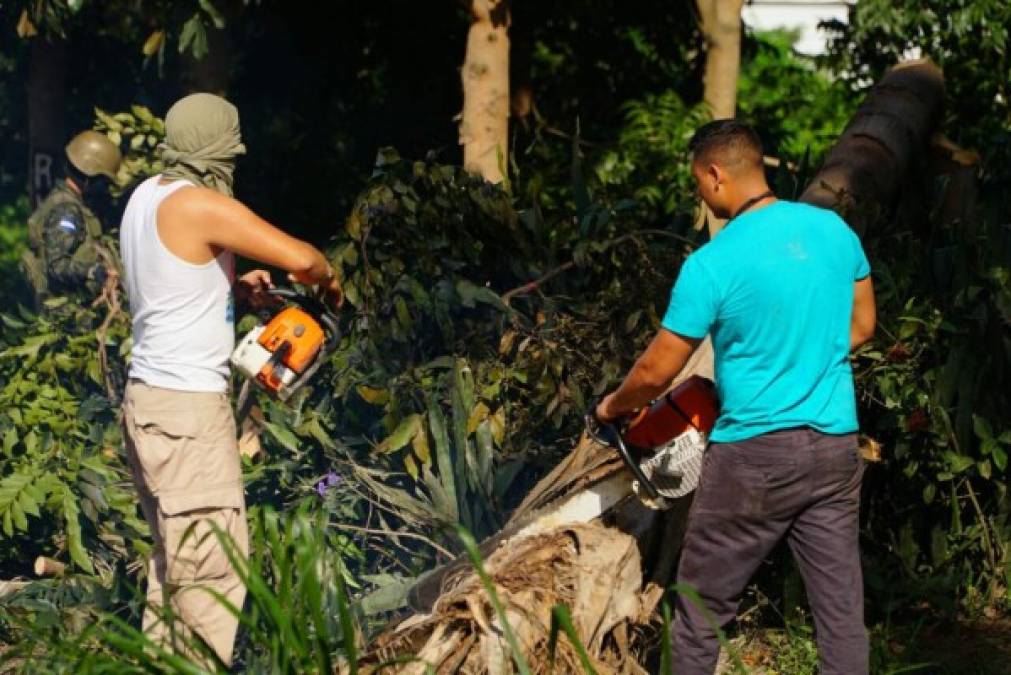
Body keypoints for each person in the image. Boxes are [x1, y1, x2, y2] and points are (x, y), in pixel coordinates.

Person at [595, 119, 877, 675]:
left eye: (699, 182)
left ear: (716, 174)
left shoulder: (713, 262)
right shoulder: (834, 232)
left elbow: (656, 371)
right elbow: (863, 327)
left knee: (701, 616)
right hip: (835, 451)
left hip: (754, 457)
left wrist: (609, 408)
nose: (701, 194)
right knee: (841, 616)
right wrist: (806, 354)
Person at [118, 93, 343, 666]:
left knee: (176, 574)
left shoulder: (147, 197)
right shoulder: (199, 204)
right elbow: (305, 260)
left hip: (149, 405)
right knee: (211, 581)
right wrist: (330, 280)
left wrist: (234, 293)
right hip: (187, 418)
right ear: (219, 150)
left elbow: (171, 288)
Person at [21, 130, 122, 309]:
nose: (105, 188)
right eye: (103, 181)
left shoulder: (67, 202)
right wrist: (94, 271)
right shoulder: (67, 210)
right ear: (89, 177)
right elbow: (57, 265)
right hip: (67, 315)